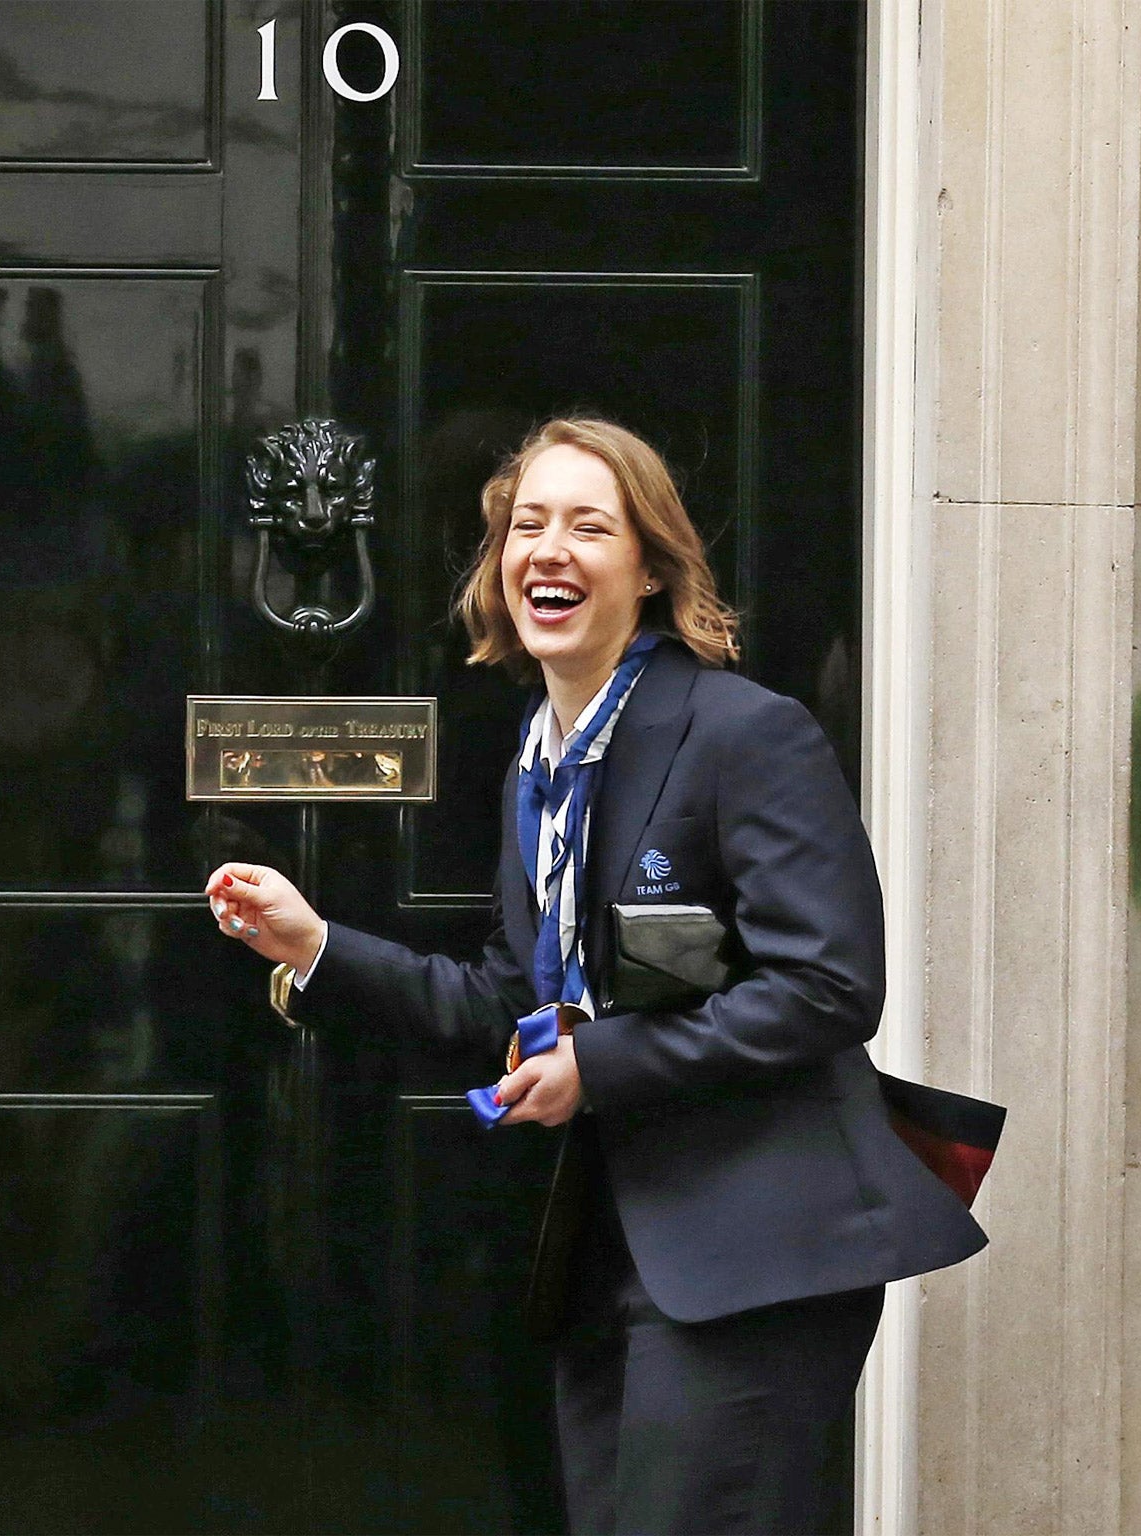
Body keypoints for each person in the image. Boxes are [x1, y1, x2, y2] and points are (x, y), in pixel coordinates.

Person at [205, 419, 987, 1535]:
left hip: (750, 1258)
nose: (546, 551)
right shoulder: (543, 754)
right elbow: (503, 998)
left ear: (651, 567)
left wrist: (597, 1065)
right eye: (525, 526)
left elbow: (824, 987)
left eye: (587, 525)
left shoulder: (743, 733)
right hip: (604, 1259)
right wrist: (316, 947)